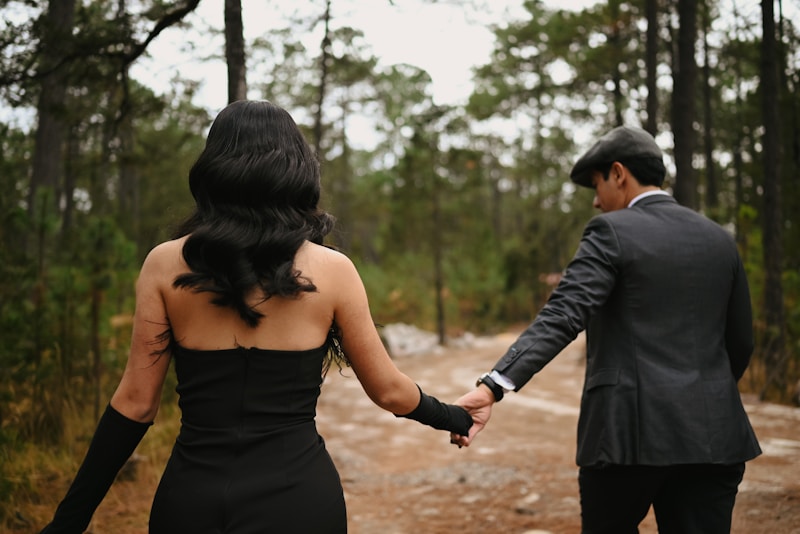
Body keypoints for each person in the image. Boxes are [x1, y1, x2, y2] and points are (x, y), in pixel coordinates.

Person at [40, 100, 472, 534]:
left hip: (191, 501)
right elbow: (389, 392)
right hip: (298, 501)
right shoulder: (333, 270)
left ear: (213, 169)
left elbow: (135, 404)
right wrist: (455, 417)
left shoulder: (164, 264)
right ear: (297, 170)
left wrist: (68, 522)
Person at [451, 126, 761, 533]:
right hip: (714, 435)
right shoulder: (719, 239)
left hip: (627, 436)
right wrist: (705, 393)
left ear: (618, 174)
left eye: (597, 185)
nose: (596, 202)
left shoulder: (611, 231)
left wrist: (494, 385)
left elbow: (564, 313)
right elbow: (741, 341)